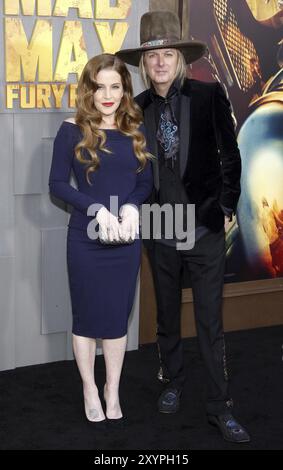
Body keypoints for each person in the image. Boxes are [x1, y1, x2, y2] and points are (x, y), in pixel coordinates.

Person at [116, 10, 251, 442]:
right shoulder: (133, 110)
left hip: (204, 227)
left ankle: (219, 405)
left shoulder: (210, 96)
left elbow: (231, 156)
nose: (159, 63)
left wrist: (227, 205)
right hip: (159, 227)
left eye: (167, 54)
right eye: (152, 56)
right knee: (168, 316)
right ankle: (172, 382)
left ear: (180, 59)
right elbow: (127, 169)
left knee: (210, 320)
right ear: (143, 63)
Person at [49, 53, 153, 424]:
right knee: (87, 319)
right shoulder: (71, 129)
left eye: (115, 86)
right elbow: (57, 185)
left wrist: (130, 208)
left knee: (115, 320)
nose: (107, 95)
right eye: (99, 87)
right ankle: (89, 388)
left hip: (125, 237)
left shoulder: (136, 128)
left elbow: (145, 183)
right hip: (86, 239)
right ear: (88, 90)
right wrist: (98, 209)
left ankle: (112, 388)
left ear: (125, 89)